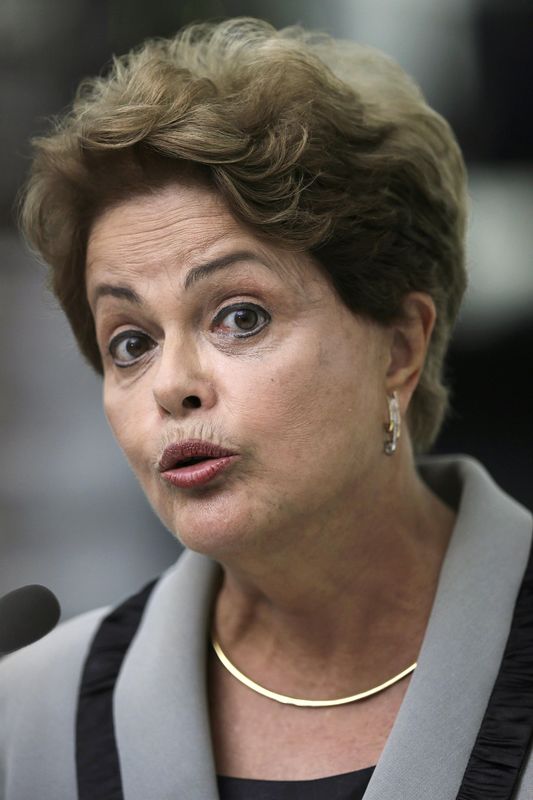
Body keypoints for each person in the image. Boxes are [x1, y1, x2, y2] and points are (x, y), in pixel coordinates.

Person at [1, 17, 532, 800]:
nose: (171, 385)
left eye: (239, 316)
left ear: (398, 348)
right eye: (130, 342)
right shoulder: (26, 714)